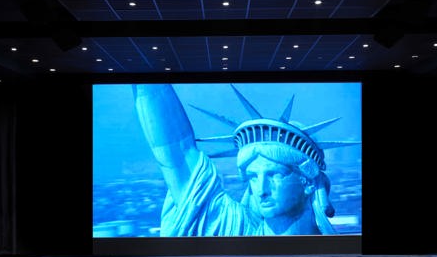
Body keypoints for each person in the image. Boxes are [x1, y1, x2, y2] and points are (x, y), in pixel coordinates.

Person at [133, 83, 344, 237]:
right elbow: (178, 154)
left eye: (275, 174)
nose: (261, 190)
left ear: (307, 182)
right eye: (253, 177)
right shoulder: (236, 227)